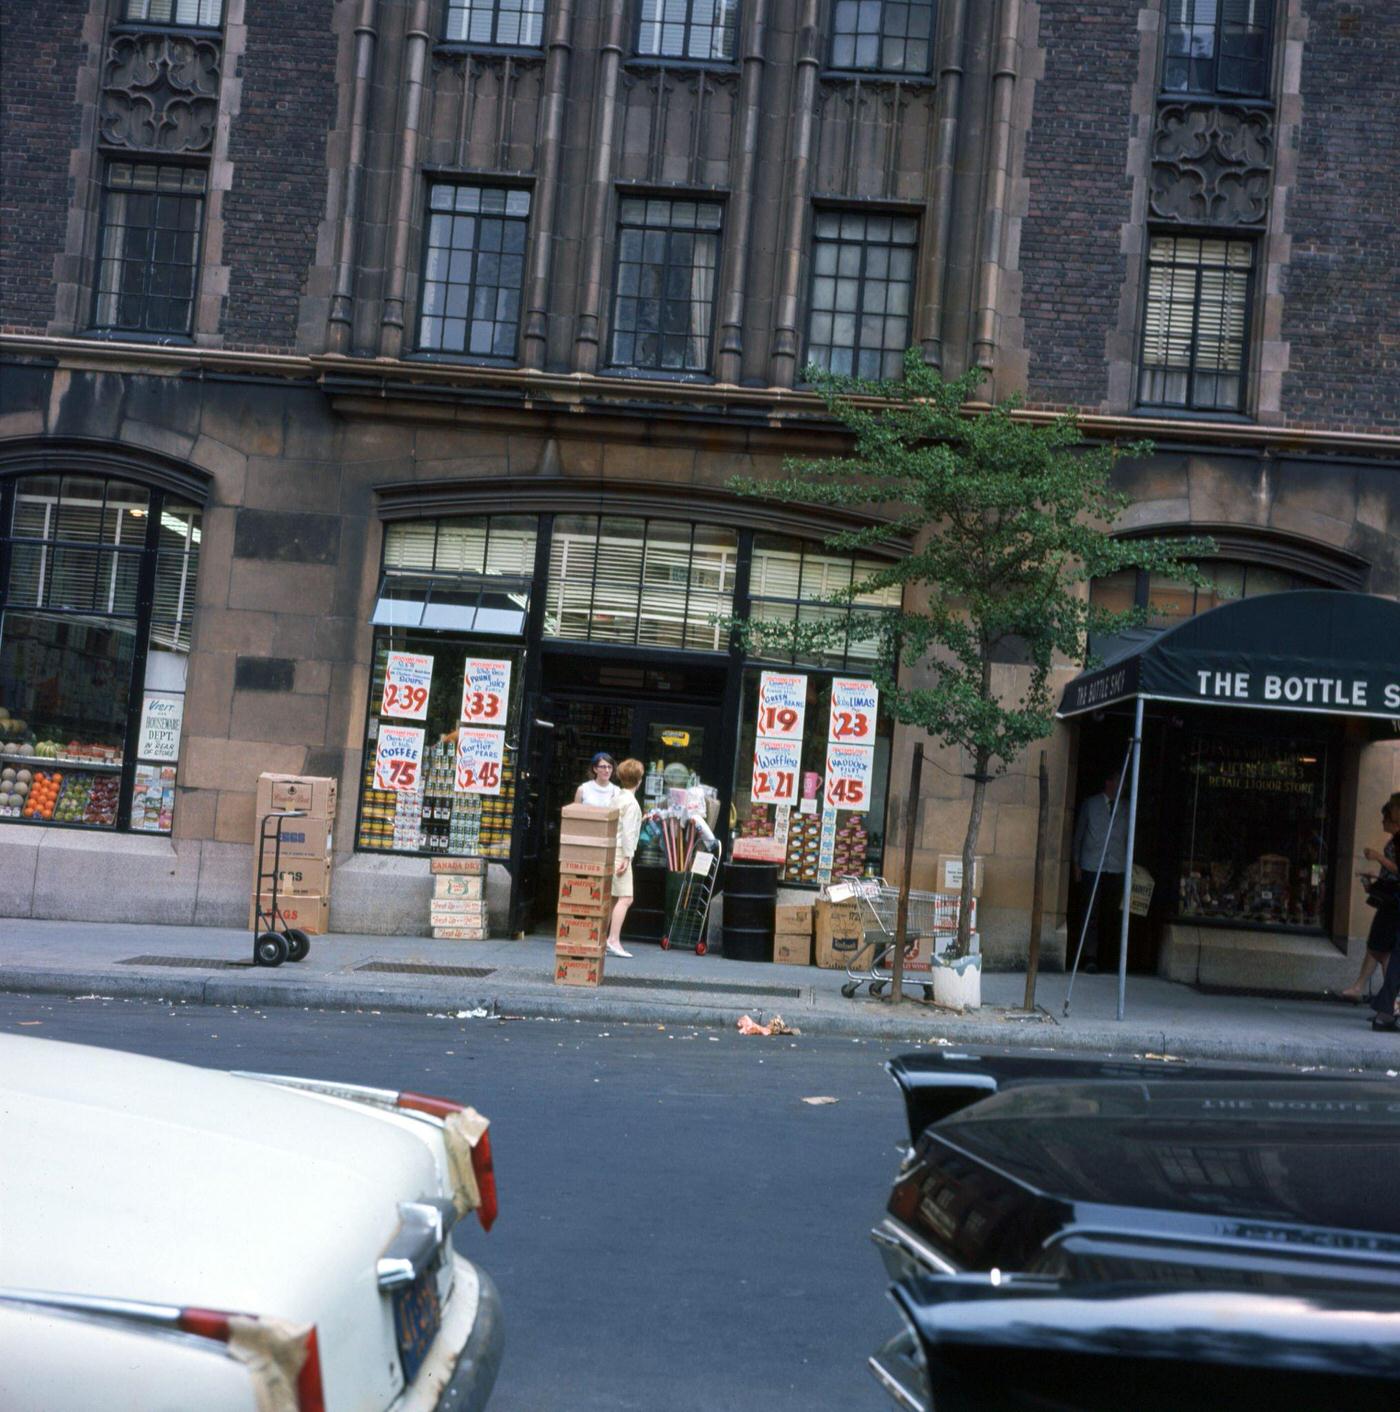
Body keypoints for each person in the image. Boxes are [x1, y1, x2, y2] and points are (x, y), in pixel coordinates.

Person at [1071, 771, 1129, 973]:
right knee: (1091, 914)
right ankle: (1090, 957)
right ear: (1109, 782)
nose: (1123, 786)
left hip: (1116, 867)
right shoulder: (1091, 804)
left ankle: (1109, 957)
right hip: (1092, 866)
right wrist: (1076, 863)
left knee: (1112, 913)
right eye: (1119, 781)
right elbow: (1079, 834)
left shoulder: (1126, 807)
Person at [1357, 796, 1400, 1027]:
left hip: (1395, 903)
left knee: (1387, 953)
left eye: (1388, 817)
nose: (1384, 822)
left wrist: (1378, 857)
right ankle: (1387, 1010)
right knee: (1388, 955)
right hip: (1392, 900)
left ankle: (1388, 1009)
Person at [604, 759, 645, 959]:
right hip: (621, 852)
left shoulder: (617, 798)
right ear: (639, 780)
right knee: (626, 898)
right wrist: (628, 857)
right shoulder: (632, 803)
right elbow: (628, 833)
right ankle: (613, 939)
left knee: (612, 898)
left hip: (612, 849)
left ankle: (602, 937)